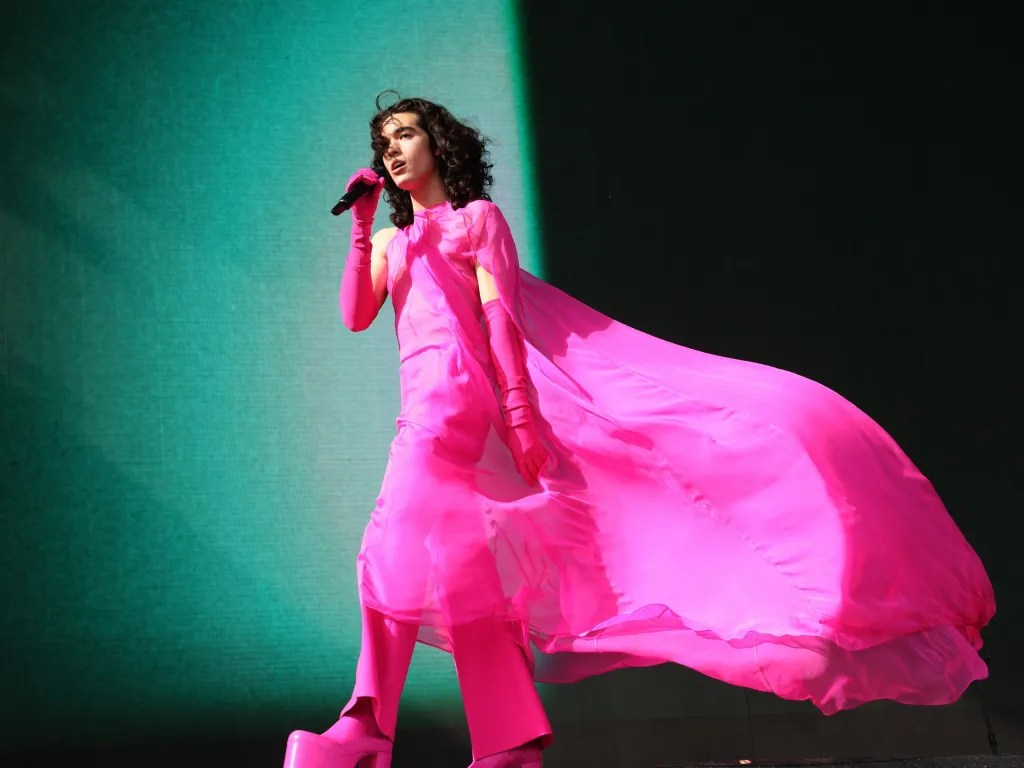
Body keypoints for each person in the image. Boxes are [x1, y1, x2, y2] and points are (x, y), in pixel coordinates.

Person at [282, 92, 995, 768]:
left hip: (457, 406)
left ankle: (363, 727)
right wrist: (360, 226)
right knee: (468, 574)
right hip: (421, 401)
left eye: (406, 133)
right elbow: (357, 314)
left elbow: (501, 324)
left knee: (389, 545)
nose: (393, 149)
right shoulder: (390, 241)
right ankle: (509, 742)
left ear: (438, 144)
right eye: (384, 141)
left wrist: (522, 417)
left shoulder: (476, 221)